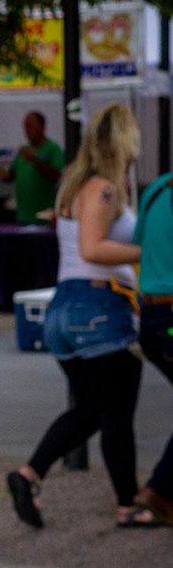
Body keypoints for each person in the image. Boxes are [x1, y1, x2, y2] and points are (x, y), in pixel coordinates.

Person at [7, 104, 145, 529]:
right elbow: (92, 248)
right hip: (98, 307)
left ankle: (29, 474)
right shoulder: (104, 189)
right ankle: (128, 504)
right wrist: (149, 252)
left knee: (91, 410)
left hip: (66, 310)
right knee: (116, 412)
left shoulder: (75, 186)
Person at [130, 173, 173, 526]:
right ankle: (159, 490)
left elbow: (139, 246)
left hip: (153, 317)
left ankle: (160, 490)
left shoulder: (157, 188)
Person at [0, 111, 65, 225]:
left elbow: (58, 177)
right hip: (23, 216)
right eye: (25, 127)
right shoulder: (24, 150)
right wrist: (4, 176)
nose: (27, 130)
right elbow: (12, 175)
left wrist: (35, 161)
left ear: (42, 127)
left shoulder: (53, 149)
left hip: (44, 218)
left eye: (30, 126)